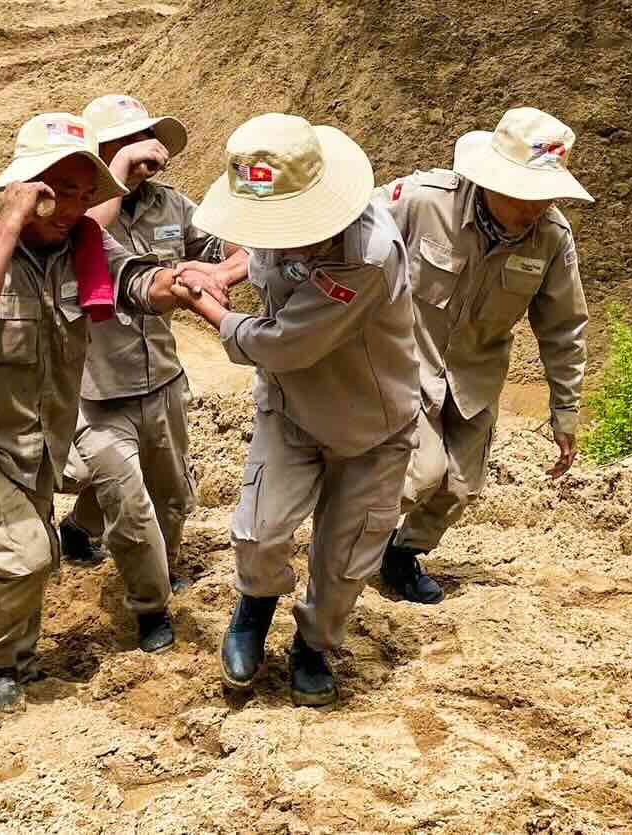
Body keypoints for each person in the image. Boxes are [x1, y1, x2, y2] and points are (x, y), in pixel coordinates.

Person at [0, 112, 211, 721]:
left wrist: (180, 283)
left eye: (84, 193)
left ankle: (18, 659)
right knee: (25, 555)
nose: (72, 206)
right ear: (23, 186)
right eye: (56, 191)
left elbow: (138, 284)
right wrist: (11, 222)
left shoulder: (87, 250)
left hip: (38, 438)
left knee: (35, 546)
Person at [177, 113, 420, 706]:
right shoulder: (278, 214)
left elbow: (284, 343)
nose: (276, 232)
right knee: (259, 533)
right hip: (289, 411)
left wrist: (203, 304)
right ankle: (253, 609)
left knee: (344, 561)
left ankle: (312, 645)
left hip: (373, 426)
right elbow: (263, 252)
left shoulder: (366, 256)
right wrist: (226, 268)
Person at [374, 107, 592, 604]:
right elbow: (345, 237)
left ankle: (400, 555)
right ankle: (345, 547)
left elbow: (564, 329)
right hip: (403, 365)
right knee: (419, 474)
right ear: (491, 177)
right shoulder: (424, 203)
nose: (539, 206)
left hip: (475, 377)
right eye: (527, 192)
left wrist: (564, 412)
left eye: (548, 193)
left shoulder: (552, 240)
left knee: (460, 488)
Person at [56, 94, 249, 601]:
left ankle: (87, 533)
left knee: (171, 493)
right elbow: (85, 236)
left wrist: (227, 266)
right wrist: (112, 173)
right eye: (125, 142)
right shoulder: (73, 210)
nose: (141, 151)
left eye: (144, 139)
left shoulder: (171, 205)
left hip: (161, 373)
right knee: (126, 498)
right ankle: (149, 594)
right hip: (97, 383)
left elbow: (225, 245)